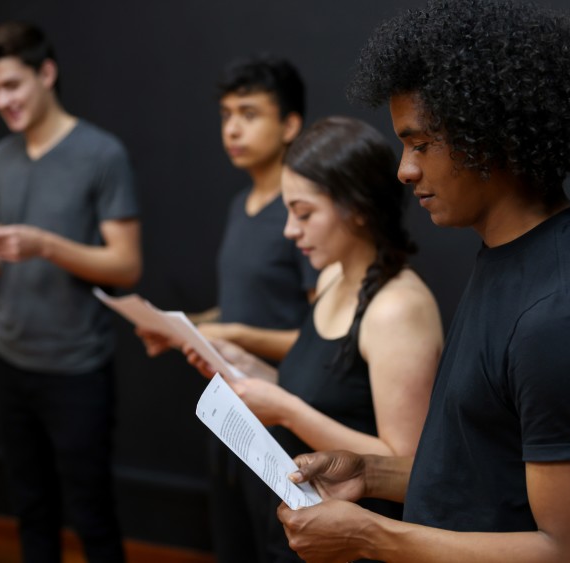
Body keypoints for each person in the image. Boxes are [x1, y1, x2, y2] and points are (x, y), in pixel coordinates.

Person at [276, 1, 570, 562]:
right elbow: (484, 480)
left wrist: (367, 534)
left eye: (421, 144)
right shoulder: (507, 258)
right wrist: (368, 473)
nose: (405, 169)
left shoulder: (562, 317)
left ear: (492, 137)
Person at [0, 21, 141, 563]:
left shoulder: (101, 153)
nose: (2, 101)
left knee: (91, 515)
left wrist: (46, 244)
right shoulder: (2, 157)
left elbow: (126, 266)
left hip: (77, 369)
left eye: (12, 85)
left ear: (46, 73)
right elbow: (5, 262)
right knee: (31, 512)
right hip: (13, 363)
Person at [186, 116, 444, 562]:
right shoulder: (330, 278)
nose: (290, 230)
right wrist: (241, 365)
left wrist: (285, 409)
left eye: (304, 213)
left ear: (357, 209)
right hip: (304, 517)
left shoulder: (396, 308)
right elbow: (323, 391)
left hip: (355, 537)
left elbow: (405, 466)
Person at [136, 55, 318, 563]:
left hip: (282, 416)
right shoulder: (241, 205)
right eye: (225, 114)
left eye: (249, 113)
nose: (233, 127)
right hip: (228, 407)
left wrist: (234, 332)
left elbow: (323, 340)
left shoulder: (303, 212)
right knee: (231, 541)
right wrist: (184, 328)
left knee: (276, 547)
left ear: (290, 125)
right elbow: (242, 305)